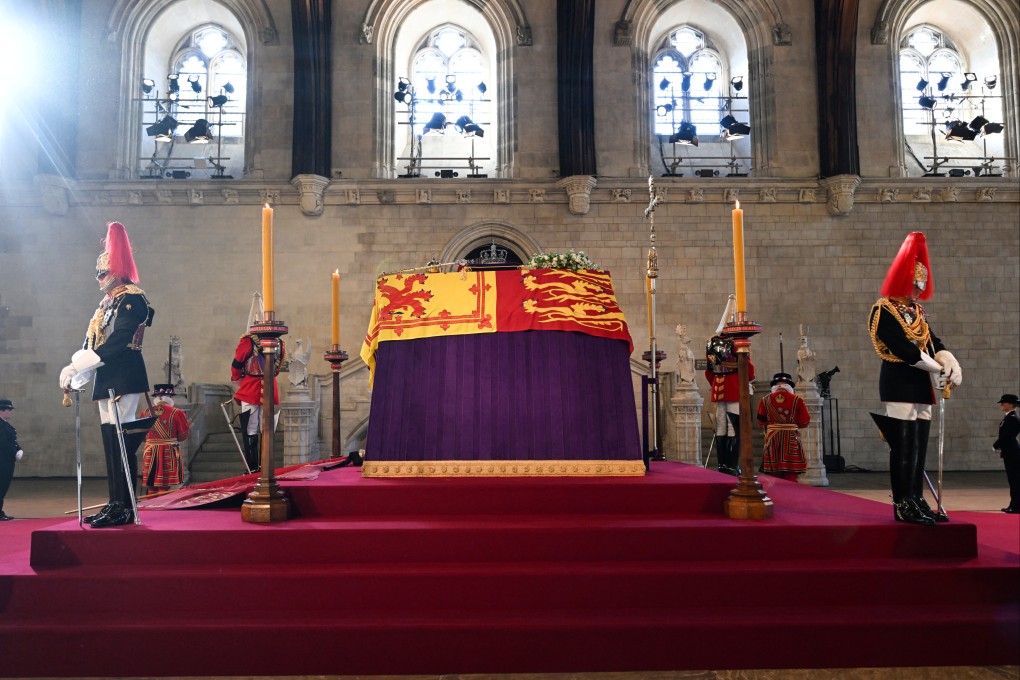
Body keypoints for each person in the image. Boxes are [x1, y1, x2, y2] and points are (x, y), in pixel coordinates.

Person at [59, 221, 155, 528]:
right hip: (107, 378)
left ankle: (124, 507)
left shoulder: (132, 299)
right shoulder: (107, 303)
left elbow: (118, 341)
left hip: (124, 377)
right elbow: (93, 340)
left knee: (122, 442)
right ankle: (115, 503)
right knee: (110, 442)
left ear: (116, 270)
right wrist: (76, 371)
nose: (99, 278)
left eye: (103, 272)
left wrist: (80, 365)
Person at [868, 232, 962, 526]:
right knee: (903, 444)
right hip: (898, 380)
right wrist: (936, 368)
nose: (919, 290)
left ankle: (917, 498)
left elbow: (932, 341)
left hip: (921, 384)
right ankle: (902, 502)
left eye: (922, 284)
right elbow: (905, 350)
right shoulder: (884, 310)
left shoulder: (917, 312)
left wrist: (949, 361)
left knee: (919, 443)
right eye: (916, 284)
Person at [230, 294, 285, 474]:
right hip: (269, 386)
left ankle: (254, 467)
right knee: (266, 427)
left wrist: (239, 380)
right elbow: (278, 367)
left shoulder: (246, 342)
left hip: (251, 386)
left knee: (252, 428)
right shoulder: (279, 342)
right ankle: (263, 466)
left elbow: (237, 364)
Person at [705, 334, 755, 475]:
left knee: (720, 427)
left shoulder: (711, 342)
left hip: (718, 387)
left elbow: (708, 372)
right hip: (734, 386)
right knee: (733, 427)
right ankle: (732, 466)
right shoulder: (737, 342)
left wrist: (715, 383)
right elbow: (749, 372)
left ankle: (722, 464)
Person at [757, 373, 810, 482]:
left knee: (774, 473)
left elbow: (760, 421)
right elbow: (805, 422)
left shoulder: (765, 400)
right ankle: (791, 496)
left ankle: (777, 496)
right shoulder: (797, 400)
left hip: (772, 439)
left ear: (775, 385)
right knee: (791, 474)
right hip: (791, 440)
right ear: (789, 385)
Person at [139, 384, 191, 496]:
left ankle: (151, 506)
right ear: (170, 397)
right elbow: (183, 435)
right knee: (165, 484)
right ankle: (163, 507)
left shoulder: (145, 413)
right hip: (168, 450)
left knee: (151, 483)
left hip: (150, 450)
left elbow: (141, 435)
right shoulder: (177, 412)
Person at [993, 393, 1020, 514]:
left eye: (1004, 402)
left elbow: (1007, 436)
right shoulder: (1009, 417)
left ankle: (1016, 506)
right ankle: (1013, 504)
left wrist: (996, 445)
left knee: (1015, 480)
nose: (1002, 404)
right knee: (1013, 480)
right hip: (1010, 452)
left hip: (1012, 453)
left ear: (1011, 404)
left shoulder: (1012, 418)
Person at [0, 399, 24, 521]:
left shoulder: (4, 424)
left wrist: (18, 449)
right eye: (9, 410)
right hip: (2, 461)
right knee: (1, 486)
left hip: (6, 461)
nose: (11, 412)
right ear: (1, 411)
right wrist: (15, 452)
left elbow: (11, 441)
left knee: (2, 487)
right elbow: (3, 443)